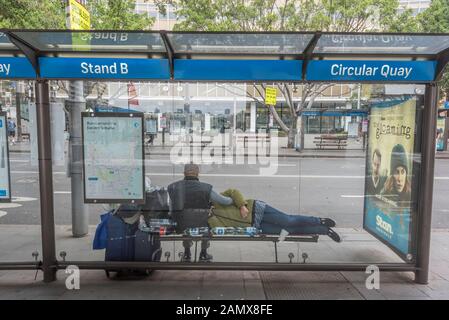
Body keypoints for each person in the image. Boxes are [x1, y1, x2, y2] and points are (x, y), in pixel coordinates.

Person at [208, 189, 341, 242]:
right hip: (255, 227)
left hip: (256, 209)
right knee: (288, 231)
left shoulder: (216, 200)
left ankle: (320, 220)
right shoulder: (210, 221)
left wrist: (242, 205)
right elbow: (219, 229)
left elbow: (233, 191)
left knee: (288, 221)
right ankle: (324, 231)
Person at [168, 163, 235, 262]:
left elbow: (170, 207)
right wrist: (233, 198)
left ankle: (187, 253)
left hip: (180, 225)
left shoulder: (172, 187)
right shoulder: (206, 188)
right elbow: (224, 201)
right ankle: (203, 253)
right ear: (198, 173)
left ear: (184, 173)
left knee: (185, 219)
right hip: (202, 224)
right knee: (209, 223)